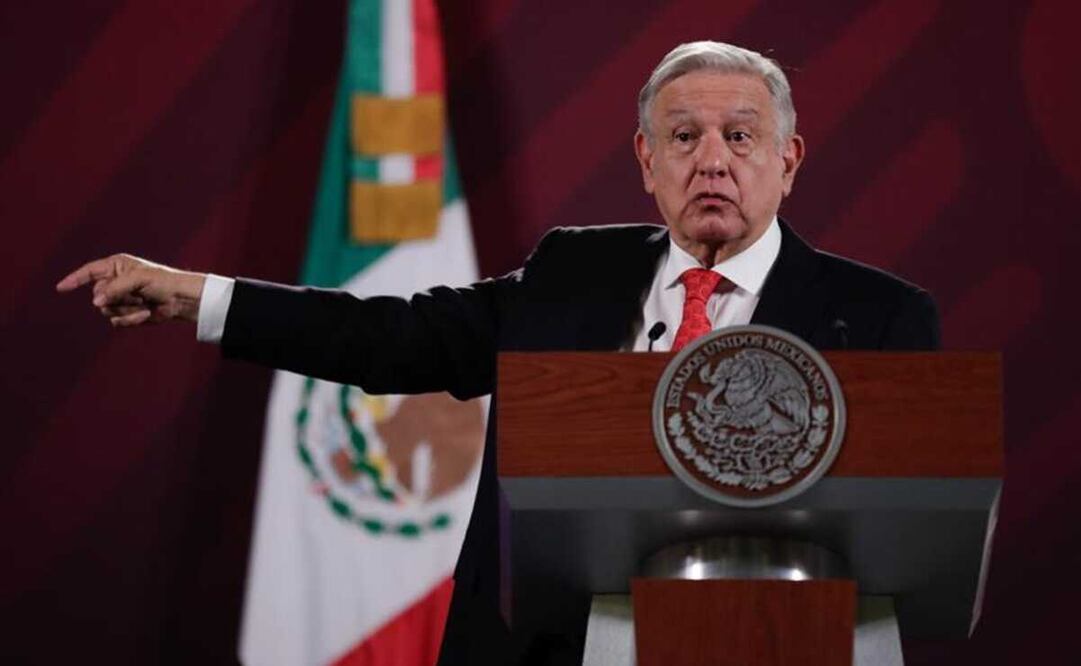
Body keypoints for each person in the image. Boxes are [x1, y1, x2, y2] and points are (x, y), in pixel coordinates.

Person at [58, 41, 938, 665]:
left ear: (788, 160)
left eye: (739, 136)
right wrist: (200, 295)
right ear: (646, 161)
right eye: (682, 137)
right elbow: (392, 338)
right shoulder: (572, 272)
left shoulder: (878, 317)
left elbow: (917, 530)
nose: (711, 160)